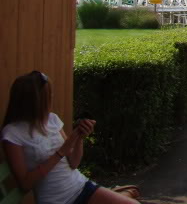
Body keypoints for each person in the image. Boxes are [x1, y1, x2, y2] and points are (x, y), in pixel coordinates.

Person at [2, 71, 139, 204]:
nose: (51, 100)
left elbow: (73, 163)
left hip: (81, 187)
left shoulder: (52, 119)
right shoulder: (13, 133)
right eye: (48, 96)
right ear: (35, 102)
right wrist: (60, 152)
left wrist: (79, 137)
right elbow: (25, 183)